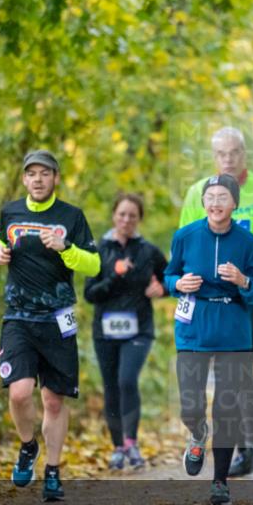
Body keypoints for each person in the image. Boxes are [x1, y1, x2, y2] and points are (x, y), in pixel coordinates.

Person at [0, 150, 100, 501]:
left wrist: (65, 247)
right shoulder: (11, 212)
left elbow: (94, 265)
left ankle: (53, 470)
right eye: (31, 174)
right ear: (24, 179)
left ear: (56, 178)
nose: (38, 179)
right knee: (20, 392)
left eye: (45, 173)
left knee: (53, 400)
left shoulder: (72, 216)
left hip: (58, 319)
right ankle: (28, 447)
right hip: (18, 316)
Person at [179, 127, 253, 478]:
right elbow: (185, 243)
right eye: (221, 154)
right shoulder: (198, 192)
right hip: (207, 301)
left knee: (241, 367)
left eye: (234, 152)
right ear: (213, 156)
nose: (228, 159)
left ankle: (248, 446)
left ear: (244, 153)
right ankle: (240, 444)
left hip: (252, 294)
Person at [165, 174, 253, 505]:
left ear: (234, 203)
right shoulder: (185, 236)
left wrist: (242, 280)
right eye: (211, 196)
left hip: (233, 329)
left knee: (227, 406)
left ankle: (220, 481)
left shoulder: (249, 243)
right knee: (190, 405)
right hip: (193, 326)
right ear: (203, 202)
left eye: (223, 196)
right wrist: (179, 283)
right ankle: (196, 434)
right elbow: (168, 276)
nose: (216, 203)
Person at [84, 193, 168, 471]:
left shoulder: (148, 251)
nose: (126, 220)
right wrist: (115, 275)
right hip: (105, 331)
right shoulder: (98, 250)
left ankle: (131, 443)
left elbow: (171, 278)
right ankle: (118, 446)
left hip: (138, 329)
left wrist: (163, 289)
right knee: (111, 386)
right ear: (113, 216)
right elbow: (90, 294)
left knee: (127, 380)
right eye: (122, 214)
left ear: (139, 219)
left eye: (132, 215)